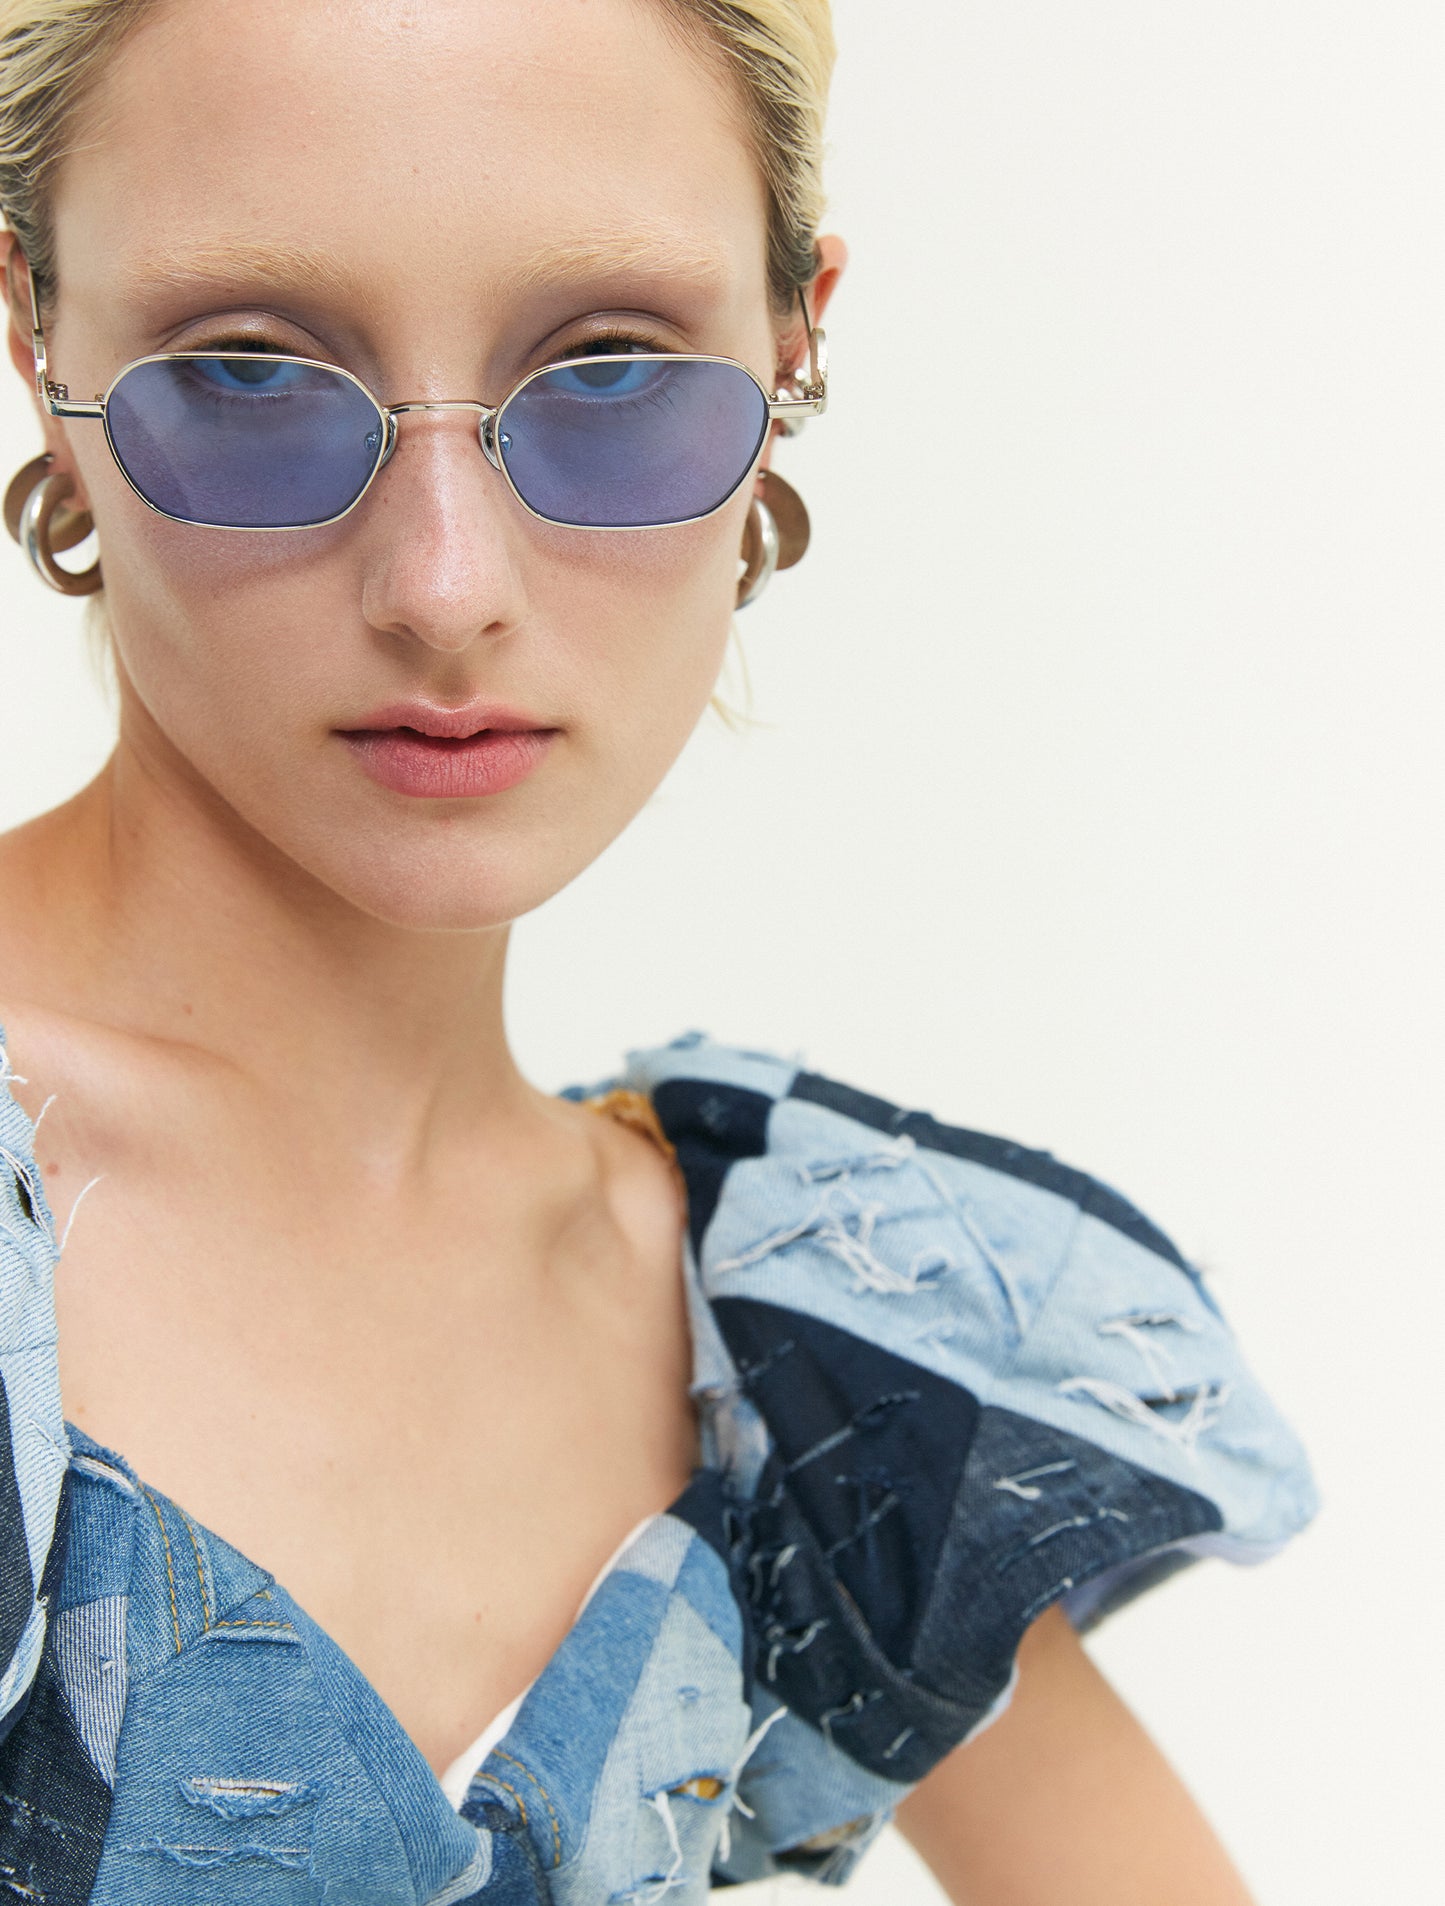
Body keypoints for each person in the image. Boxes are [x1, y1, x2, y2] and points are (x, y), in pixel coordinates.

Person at [0, 3, 1316, 1901]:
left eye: (611, 373)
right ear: (35, 341)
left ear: (792, 349)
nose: (445, 586)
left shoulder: (812, 1351)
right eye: (250, 372)